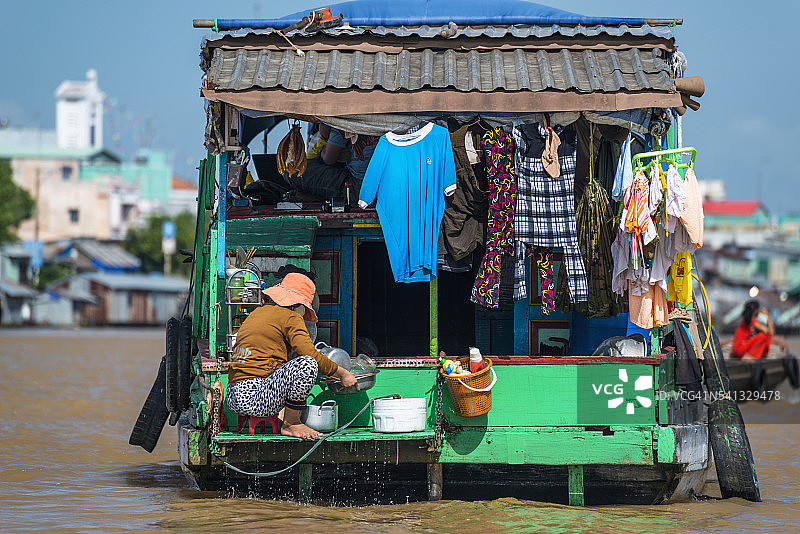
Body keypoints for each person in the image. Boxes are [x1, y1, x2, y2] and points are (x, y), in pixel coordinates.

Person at [226, 272, 358, 439]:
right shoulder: (290, 316)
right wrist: (342, 373)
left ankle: (285, 418)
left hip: (234, 397)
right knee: (307, 364)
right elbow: (310, 354)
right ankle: (292, 423)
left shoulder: (257, 313)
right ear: (297, 304)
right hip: (255, 398)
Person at [285, 124, 377, 204]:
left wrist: (324, 138)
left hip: (358, 188)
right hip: (373, 185)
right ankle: (319, 196)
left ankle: (320, 197)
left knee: (291, 170)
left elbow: (328, 159)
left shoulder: (341, 124)